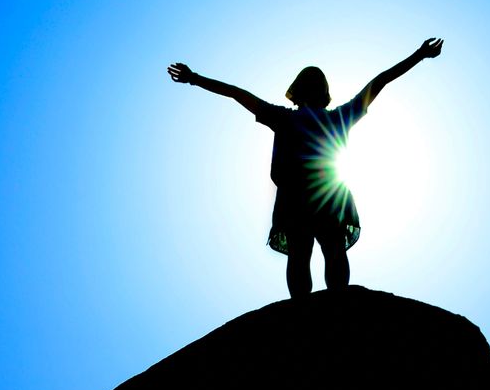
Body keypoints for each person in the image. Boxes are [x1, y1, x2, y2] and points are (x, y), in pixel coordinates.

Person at [167, 38, 443, 298]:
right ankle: (310, 307)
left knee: (322, 250)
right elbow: (238, 94)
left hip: (319, 193)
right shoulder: (316, 118)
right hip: (309, 194)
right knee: (309, 251)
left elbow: (379, 82)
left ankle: (326, 304)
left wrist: (418, 55)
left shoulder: (316, 118)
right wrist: (194, 79)